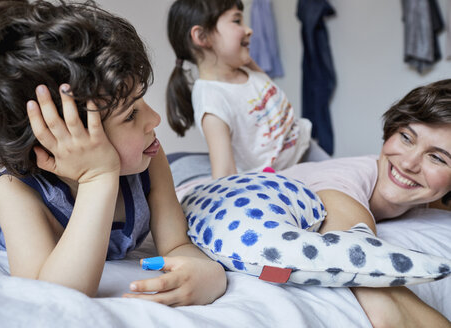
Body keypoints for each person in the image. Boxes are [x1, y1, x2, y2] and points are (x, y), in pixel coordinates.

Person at [0, 0, 226, 305]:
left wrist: (208, 272)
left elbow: (176, 244)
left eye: (142, 101)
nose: (155, 119)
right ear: (56, 139)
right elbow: (53, 295)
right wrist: (97, 177)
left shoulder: (150, 160)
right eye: (130, 115)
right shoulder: (16, 193)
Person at [176, 79, 451, 326]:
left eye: (437, 158)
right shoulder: (345, 181)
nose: (408, 162)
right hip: (199, 188)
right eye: (406, 137)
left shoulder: (432, 197)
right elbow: (355, 260)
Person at [165, 0, 328, 179]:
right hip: (281, 174)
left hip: (306, 146)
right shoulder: (211, 99)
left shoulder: (246, 67)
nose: (249, 29)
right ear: (202, 37)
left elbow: (270, 91)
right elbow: (224, 173)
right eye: (237, 21)